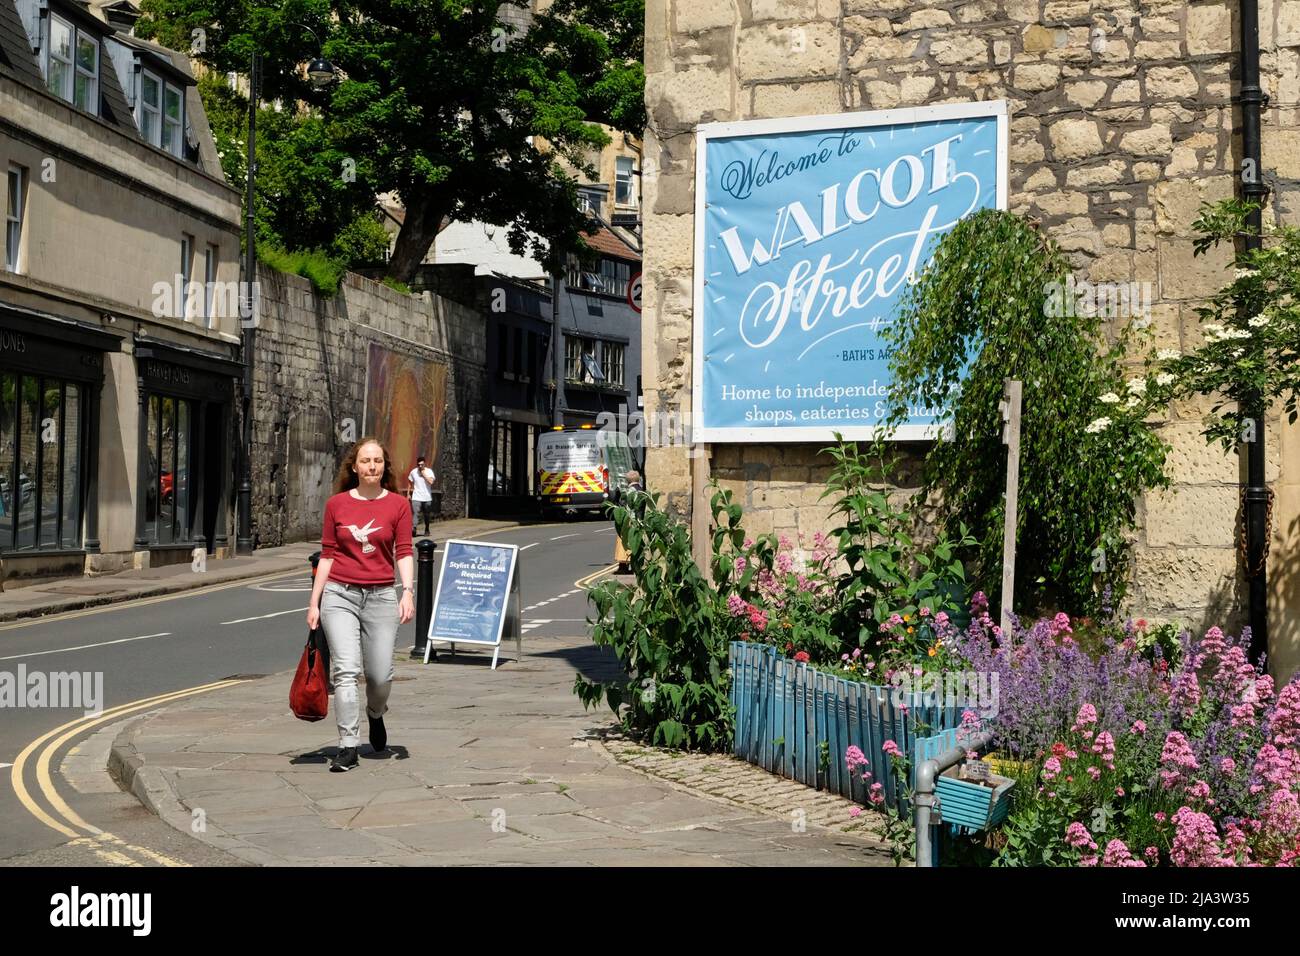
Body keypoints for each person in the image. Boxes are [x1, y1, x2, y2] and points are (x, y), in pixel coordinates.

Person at [307, 437, 415, 772]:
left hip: (381, 596)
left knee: (380, 675)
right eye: (366, 461)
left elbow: (404, 551)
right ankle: (348, 745)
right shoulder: (337, 505)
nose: (372, 466)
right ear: (354, 467)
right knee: (346, 671)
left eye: (378, 461)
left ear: (385, 466)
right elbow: (327, 555)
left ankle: (375, 713)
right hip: (340, 595)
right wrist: (315, 603)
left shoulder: (398, 505)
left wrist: (407, 591)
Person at [613, 469, 644, 573]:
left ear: (627, 481)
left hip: (630, 520)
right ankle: (635, 565)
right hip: (639, 520)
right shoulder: (641, 489)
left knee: (623, 540)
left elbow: (626, 507)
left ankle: (623, 566)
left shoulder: (629, 491)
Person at [407, 455, 436, 537]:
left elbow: (431, 482)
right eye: (418, 465)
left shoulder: (429, 471)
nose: (420, 466)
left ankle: (427, 529)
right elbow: (410, 482)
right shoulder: (413, 472)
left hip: (427, 497)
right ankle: (414, 529)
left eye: (422, 464)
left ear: (424, 464)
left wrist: (423, 474)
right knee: (415, 513)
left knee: (426, 514)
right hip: (416, 497)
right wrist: (408, 494)